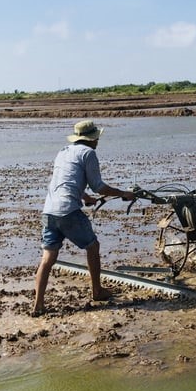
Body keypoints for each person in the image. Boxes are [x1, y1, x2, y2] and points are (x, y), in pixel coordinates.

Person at [32, 120, 135, 316]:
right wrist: (124, 193)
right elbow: (99, 186)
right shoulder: (89, 153)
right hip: (68, 211)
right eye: (96, 138)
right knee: (92, 246)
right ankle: (97, 291)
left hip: (49, 210)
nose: (97, 141)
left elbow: (66, 181)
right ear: (92, 138)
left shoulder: (63, 152)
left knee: (47, 258)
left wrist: (85, 197)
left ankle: (38, 305)